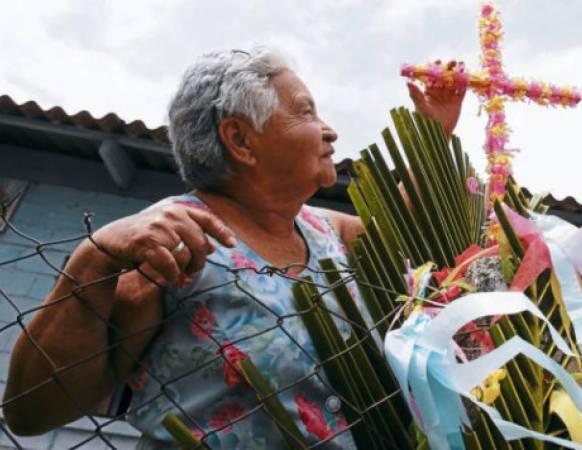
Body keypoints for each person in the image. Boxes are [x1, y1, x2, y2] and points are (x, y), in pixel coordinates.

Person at [3, 47, 465, 448]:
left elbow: (403, 228)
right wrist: (93, 258)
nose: (329, 131)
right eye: (306, 112)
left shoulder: (325, 232)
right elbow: (30, 413)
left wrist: (433, 132)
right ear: (241, 140)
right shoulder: (174, 242)